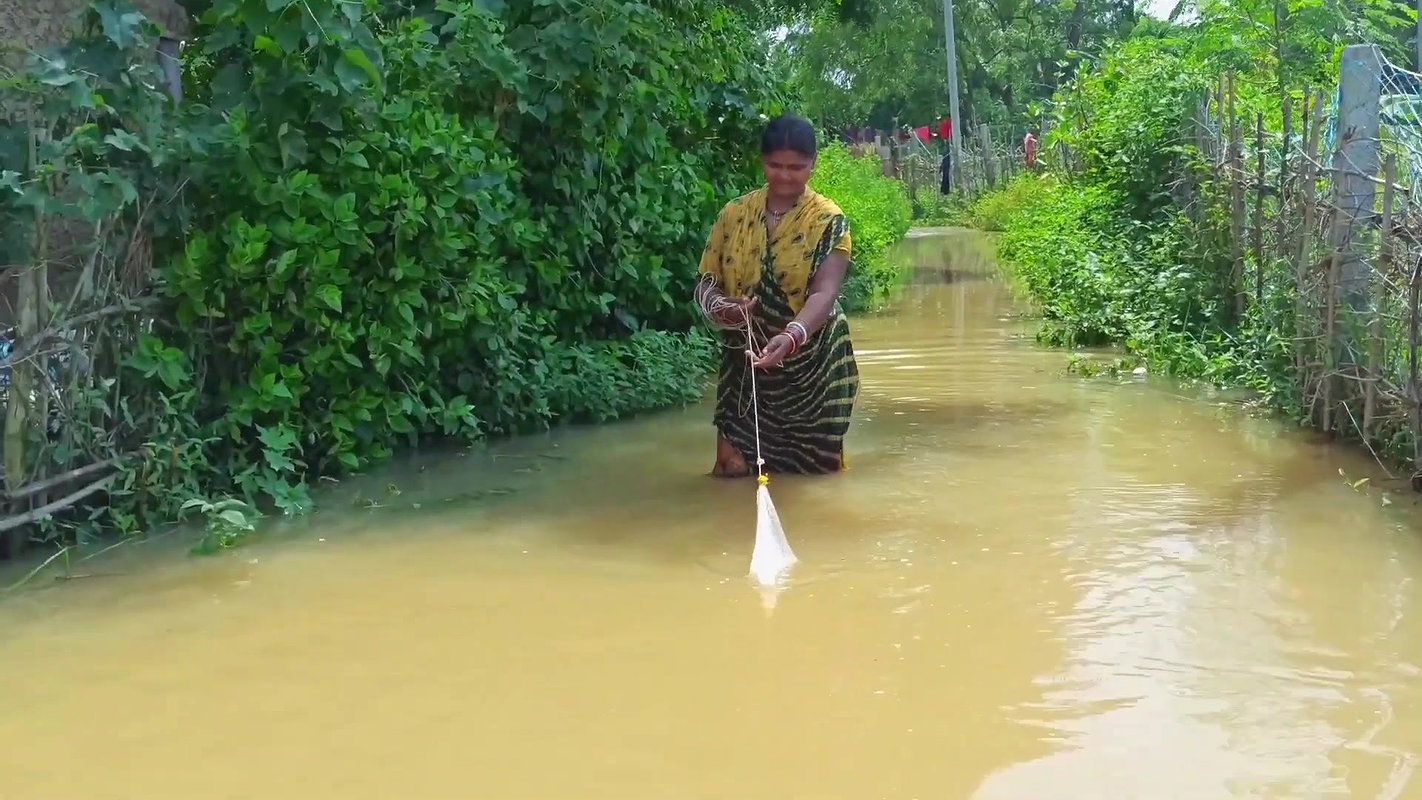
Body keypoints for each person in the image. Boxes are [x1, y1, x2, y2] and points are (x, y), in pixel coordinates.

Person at [693, 114, 860, 478]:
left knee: (815, 476)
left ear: (813, 164)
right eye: (775, 165)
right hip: (746, 365)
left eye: (797, 167)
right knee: (731, 468)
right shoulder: (734, 214)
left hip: (812, 367)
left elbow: (825, 293)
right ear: (762, 161)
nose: (785, 176)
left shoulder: (829, 221)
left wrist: (790, 336)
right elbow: (706, 282)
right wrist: (721, 308)